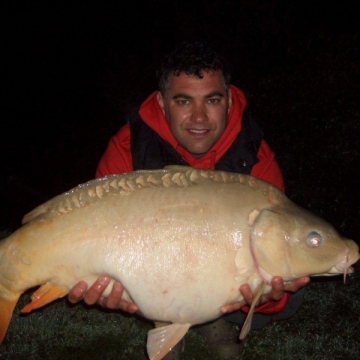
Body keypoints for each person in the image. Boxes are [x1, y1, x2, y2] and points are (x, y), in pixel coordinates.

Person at [68, 40, 309, 359]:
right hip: (150, 262)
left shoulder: (255, 158)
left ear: (228, 101)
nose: (199, 117)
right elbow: (94, 230)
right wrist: (99, 284)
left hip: (217, 267)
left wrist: (267, 296)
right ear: (162, 102)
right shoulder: (129, 149)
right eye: (183, 101)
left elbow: (274, 260)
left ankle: (213, 317)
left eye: (212, 100)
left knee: (291, 290)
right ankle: (166, 320)